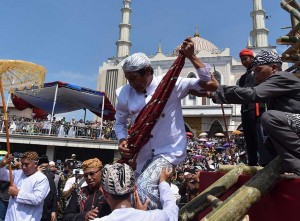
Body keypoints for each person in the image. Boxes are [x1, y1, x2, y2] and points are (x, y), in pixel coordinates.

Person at [114, 37, 211, 209]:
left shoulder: (169, 85)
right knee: (135, 193)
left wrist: (192, 57)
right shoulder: (125, 93)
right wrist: (122, 140)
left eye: (134, 78)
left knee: (144, 190)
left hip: (168, 151)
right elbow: (120, 122)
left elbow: (210, 84)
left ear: (148, 71)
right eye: (128, 79)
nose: (131, 83)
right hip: (141, 154)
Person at [202, 50, 300, 175]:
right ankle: (272, 169)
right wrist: (211, 95)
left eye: (258, 70)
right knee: (265, 137)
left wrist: (218, 88)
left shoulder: (281, 77)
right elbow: (246, 95)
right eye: (253, 72)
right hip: (293, 127)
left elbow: (252, 94)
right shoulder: (271, 85)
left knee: (269, 118)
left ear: (274, 68)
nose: (255, 75)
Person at [94, 163, 178, 221]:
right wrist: (163, 182)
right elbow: (172, 211)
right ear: (134, 188)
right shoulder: (154, 218)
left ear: (104, 192)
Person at [0, 151, 50, 221]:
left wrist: (17, 193)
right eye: (22, 164)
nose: (23, 167)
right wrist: (2, 165)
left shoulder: (41, 179)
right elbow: (2, 175)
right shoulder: (18, 173)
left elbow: (37, 199)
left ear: (35, 164)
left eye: (26, 164)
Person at [238, 49, 265, 166]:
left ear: (252, 58)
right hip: (245, 109)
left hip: (257, 108)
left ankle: (264, 162)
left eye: (246, 59)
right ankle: (252, 162)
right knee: (249, 137)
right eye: (242, 60)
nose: (244, 61)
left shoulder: (258, 72)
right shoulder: (243, 77)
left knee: (258, 136)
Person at [38, 156, 58, 221]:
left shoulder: (50, 176)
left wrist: (54, 211)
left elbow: (54, 194)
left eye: (46, 167)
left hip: (46, 211)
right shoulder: (33, 175)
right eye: (42, 167)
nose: (44, 169)